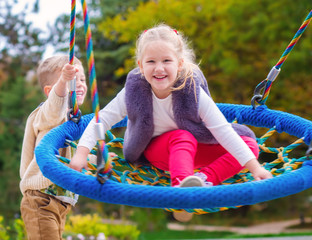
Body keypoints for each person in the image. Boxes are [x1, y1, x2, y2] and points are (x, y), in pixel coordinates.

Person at [70, 24, 272, 221]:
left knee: (249, 145)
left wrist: (256, 168)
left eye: (167, 60)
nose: (159, 68)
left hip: (196, 150)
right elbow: (102, 119)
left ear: (180, 64)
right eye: (151, 62)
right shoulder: (134, 91)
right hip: (159, 151)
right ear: (140, 66)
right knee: (181, 136)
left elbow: (222, 131)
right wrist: (81, 154)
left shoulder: (192, 91)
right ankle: (181, 194)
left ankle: (202, 181)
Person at [20, 55, 88, 239]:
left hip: (61, 201)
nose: (79, 84)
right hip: (41, 199)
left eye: (82, 79)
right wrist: (63, 82)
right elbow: (55, 105)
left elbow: (76, 157)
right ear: (50, 91)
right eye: (72, 81)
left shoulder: (74, 121)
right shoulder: (45, 114)